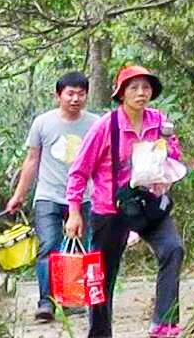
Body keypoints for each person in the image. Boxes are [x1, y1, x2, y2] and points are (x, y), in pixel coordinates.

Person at [64, 65, 186, 338]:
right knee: (102, 275)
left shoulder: (158, 121)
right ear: (121, 94)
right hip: (110, 209)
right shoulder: (105, 126)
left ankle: (164, 323)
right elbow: (79, 171)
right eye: (134, 88)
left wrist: (168, 146)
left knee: (173, 249)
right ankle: (99, 333)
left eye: (146, 87)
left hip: (150, 203)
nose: (141, 93)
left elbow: (175, 154)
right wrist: (74, 211)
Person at [6, 70, 96, 323]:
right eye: (70, 93)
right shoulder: (43, 123)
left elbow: (102, 163)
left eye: (80, 93)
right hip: (48, 195)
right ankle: (46, 302)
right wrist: (19, 195)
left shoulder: (94, 124)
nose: (75, 98)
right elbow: (32, 160)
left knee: (82, 248)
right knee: (48, 246)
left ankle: (71, 298)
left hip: (84, 197)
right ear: (59, 95)